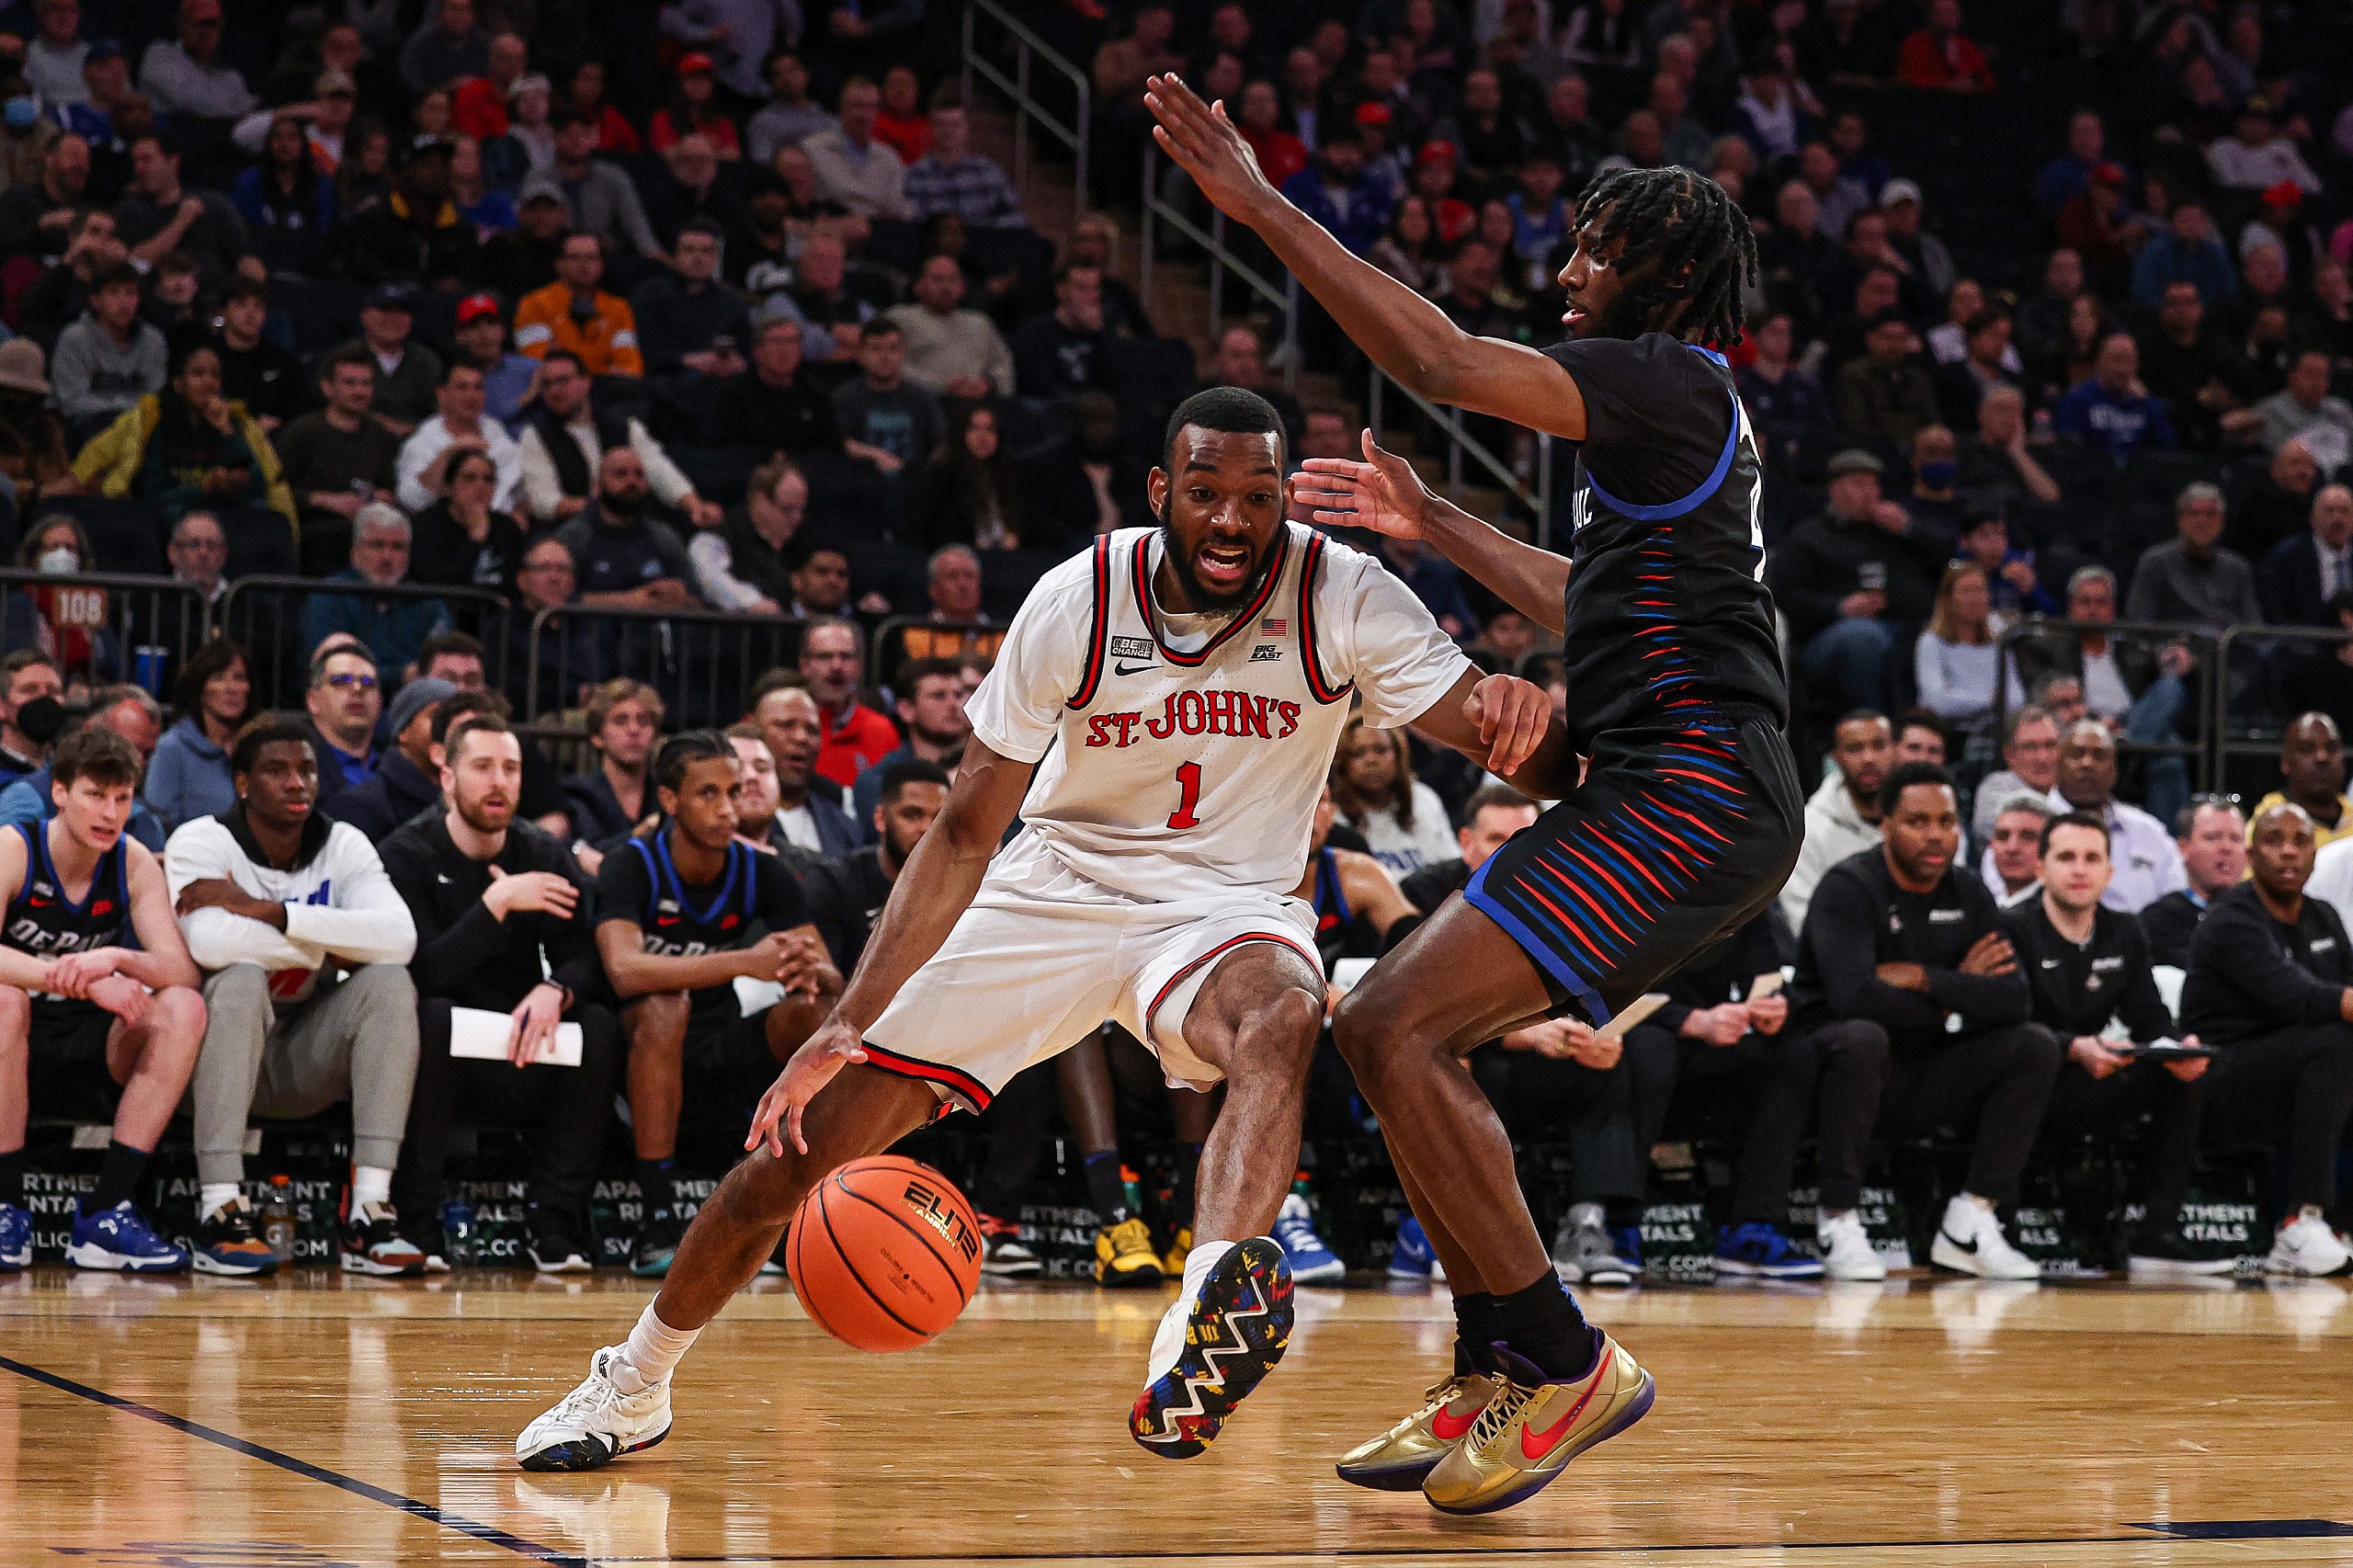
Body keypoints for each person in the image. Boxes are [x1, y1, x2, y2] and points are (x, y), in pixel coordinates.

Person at [513, 386, 1558, 1478]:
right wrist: (846, 1024)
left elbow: (1502, 736)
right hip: (1053, 886)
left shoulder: (1338, 590)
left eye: (1258, 496)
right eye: (1205, 493)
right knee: (795, 1156)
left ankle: (1203, 1311)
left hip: (1224, 905)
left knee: (1285, 1011)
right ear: (1162, 492)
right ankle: (631, 1381)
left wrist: (1525, 712)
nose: (1233, 520)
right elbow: (965, 827)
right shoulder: (1080, 596)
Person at [1147, 91, 1808, 1509]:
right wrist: (1438, 524)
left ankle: (1557, 1356)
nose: (1564, 274)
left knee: (1389, 1018)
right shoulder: (1665, 428)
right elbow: (1598, 599)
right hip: (1668, 781)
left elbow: (1432, 356)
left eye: (1590, 251)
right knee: (1391, 1033)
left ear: (1658, 270)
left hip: (1690, 788)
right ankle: (1505, 1350)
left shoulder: (1661, 378)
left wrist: (1261, 205)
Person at [166, 717, 424, 1277]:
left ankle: (368, 1213)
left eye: (307, 769)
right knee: (237, 978)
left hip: (300, 1059)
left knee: (387, 983)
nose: (296, 782)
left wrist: (271, 912)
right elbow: (211, 941)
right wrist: (328, 946)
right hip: (206, 1067)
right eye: (276, 770)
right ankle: (219, 1208)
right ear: (242, 783)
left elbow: (399, 939)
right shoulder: (200, 840)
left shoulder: (344, 843)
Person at [1788, 762, 2056, 1283]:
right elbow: (1853, 998)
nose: (1936, 835)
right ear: (1885, 824)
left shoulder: (1969, 891)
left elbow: (2015, 999)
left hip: (1924, 1068)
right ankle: (1836, 1218)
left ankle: (1971, 1220)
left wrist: (1925, 979)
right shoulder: (1848, 888)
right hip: (1832, 1075)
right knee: (1864, 1037)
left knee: (2033, 1044)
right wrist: (1960, 994)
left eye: (1947, 821)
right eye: (1918, 821)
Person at [585, 731, 840, 1278]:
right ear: (670, 800)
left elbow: (834, 975)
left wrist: (807, 969)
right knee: (665, 1005)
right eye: (708, 794)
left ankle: (800, 1209)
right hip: (631, 1052)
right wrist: (745, 961)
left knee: (813, 1017)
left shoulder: (762, 870)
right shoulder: (630, 865)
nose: (729, 809)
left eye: (734, 791)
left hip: (721, 1044)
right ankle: (657, 1221)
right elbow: (624, 970)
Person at [381, 709, 625, 1272]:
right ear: (446, 776)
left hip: (522, 1041)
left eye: (511, 768)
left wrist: (556, 990)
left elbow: (585, 959)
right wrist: (496, 904)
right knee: (432, 1015)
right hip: (439, 1054)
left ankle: (554, 1223)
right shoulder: (406, 855)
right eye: (483, 766)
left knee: (599, 1028)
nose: (499, 782)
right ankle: (417, 1220)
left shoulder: (542, 852)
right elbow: (421, 973)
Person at [0, 722, 206, 1276]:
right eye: (95, 794)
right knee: (4, 1002)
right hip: (12, 1039)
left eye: (123, 798)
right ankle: (5, 1205)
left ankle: (106, 1212)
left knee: (184, 1007)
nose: (110, 813)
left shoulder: (133, 860)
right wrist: (85, 979)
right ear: (60, 793)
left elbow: (179, 967)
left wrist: (117, 960)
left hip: (89, 1041)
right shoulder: (14, 847)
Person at [2004, 811, 2217, 1276]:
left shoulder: (2125, 930)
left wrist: (2178, 1044)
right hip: (2031, 1084)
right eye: (2066, 857)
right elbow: (2007, 1022)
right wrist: (2072, 1046)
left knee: (2184, 1074)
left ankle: (2156, 1231)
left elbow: (2147, 1015)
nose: (2079, 870)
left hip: (2098, 1073)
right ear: (2040, 868)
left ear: (2108, 872)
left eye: (2091, 858)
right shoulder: (2014, 928)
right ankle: (2000, 1222)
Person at [2181, 801, 2353, 1278]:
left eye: (2300, 842)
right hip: (2223, 1082)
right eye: (2275, 842)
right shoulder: (2232, 917)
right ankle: (2300, 1221)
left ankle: (2342, 1223)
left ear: (2316, 855)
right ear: (2252, 855)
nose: (2289, 853)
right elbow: (2296, 997)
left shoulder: (2323, 917)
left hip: (2302, 1075)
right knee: (2337, 1044)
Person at [1768, 449, 1947, 714]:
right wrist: (1839, 607)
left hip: (1904, 626)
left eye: (1873, 484)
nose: (1870, 493)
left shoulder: (1894, 531)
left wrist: (1910, 530)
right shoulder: (1809, 537)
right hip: (1828, 638)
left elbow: (1947, 563)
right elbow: (1785, 597)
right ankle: (1877, 724)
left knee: (1939, 633)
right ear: (1835, 490)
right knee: (1862, 636)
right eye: (1859, 484)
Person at [517, 349, 716, 528]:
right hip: (574, 532)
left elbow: (659, 470)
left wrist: (694, 506)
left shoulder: (624, 426)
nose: (554, 391)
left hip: (632, 524)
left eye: (563, 381)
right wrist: (599, 505)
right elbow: (542, 501)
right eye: (547, 384)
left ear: (586, 382)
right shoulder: (535, 434)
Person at [272, 347, 404, 575]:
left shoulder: (380, 436)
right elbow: (276, 490)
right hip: (316, 531)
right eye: (350, 383)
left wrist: (376, 498)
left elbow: (390, 490)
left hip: (368, 527)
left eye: (366, 384)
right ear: (327, 387)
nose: (359, 391)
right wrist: (325, 500)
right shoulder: (302, 432)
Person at [2045, 719, 2188, 915]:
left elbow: (2177, 904)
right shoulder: (2030, 824)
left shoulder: (2149, 832)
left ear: (2114, 770)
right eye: (2077, 754)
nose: (2087, 764)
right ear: (2057, 764)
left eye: (2099, 756)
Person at [299, 504, 451, 681]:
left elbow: (446, 661)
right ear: (354, 552)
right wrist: (401, 675)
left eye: (398, 547)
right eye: (377, 545)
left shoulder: (427, 602)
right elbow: (325, 666)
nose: (387, 557)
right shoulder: (329, 595)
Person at [1778, 710, 1891, 933]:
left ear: (1895, 749)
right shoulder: (1808, 829)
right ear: (1836, 756)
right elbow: (1801, 918)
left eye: (1878, 746)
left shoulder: (1919, 818)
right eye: (1855, 749)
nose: (1869, 758)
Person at [330, 675, 459, 841]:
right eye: (437, 717)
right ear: (403, 731)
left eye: (458, 721)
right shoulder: (361, 805)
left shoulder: (470, 799)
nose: (451, 729)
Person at [847, 658, 968, 829]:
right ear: (906, 710)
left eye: (959, 695)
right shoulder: (879, 781)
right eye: (938, 696)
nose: (954, 704)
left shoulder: (989, 770)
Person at [48, 258, 164, 437]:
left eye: (130, 293)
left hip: (138, 432)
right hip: (83, 431)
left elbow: (155, 398)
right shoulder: (75, 338)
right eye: (114, 293)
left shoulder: (153, 340)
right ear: (95, 300)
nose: (123, 302)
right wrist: (124, 409)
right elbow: (71, 402)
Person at [745, 678, 859, 857]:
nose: (801, 738)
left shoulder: (844, 827)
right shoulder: (735, 820)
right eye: (786, 725)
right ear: (753, 730)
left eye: (812, 730)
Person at [393, 359, 523, 515]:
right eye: (462, 387)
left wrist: (521, 511)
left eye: (478, 388)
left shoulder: (497, 433)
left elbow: (518, 488)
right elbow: (410, 499)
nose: (471, 395)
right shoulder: (422, 442)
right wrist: (449, 454)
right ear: (442, 395)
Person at [1328, 715, 1453, 875]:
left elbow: (1451, 866)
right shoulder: (1331, 813)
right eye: (1358, 753)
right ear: (1342, 762)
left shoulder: (1424, 799)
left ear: (1399, 755)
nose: (1371, 760)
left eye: (1380, 750)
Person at [145, 637, 247, 831]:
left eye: (239, 678)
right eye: (218, 678)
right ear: (200, 688)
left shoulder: (257, 747)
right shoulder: (172, 748)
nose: (231, 688)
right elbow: (156, 824)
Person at [513, 231, 644, 379]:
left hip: (605, 391)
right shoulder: (533, 304)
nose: (584, 265)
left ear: (601, 265)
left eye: (591, 258)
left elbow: (631, 365)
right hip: (554, 387)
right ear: (559, 264)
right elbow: (534, 361)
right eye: (574, 257)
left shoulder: (618, 308)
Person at [884, 252, 1015, 400]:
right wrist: (942, 387)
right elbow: (888, 363)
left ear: (962, 287)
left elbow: (1002, 364)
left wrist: (988, 384)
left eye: (952, 280)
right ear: (918, 286)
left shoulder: (980, 323)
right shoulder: (899, 318)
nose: (945, 287)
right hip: (920, 402)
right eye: (937, 279)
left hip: (977, 405)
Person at [1913, 562, 2020, 739]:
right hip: (1953, 735)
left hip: (2001, 731)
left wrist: (1990, 702)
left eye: (1980, 590)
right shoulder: (1931, 642)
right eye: (1966, 591)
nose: (1975, 598)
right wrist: (1992, 701)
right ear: (1947, 599)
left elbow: (2017, 697)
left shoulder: (1998, 636)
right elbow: (1937, 702)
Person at [2143, 798, 2248, 969]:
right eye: (2213, 837)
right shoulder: (2159, 922)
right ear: (2183, 848)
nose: (2226, 847)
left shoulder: (2265, 917)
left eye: (2236, 839)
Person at [410, 446, 528, 596]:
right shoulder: (427, 526)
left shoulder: (507, 528)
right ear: (450, 486)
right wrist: (475, 540)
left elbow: (515, 584)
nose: (480, 486)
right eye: (469, 478)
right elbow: (439, 584)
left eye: (488, 480)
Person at [301, 642, 382, 813]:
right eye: (341, 681)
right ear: (313, 700)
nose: (357, 689)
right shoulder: (299, 768)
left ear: (380, 702)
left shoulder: (394, 767)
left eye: (368, 683)